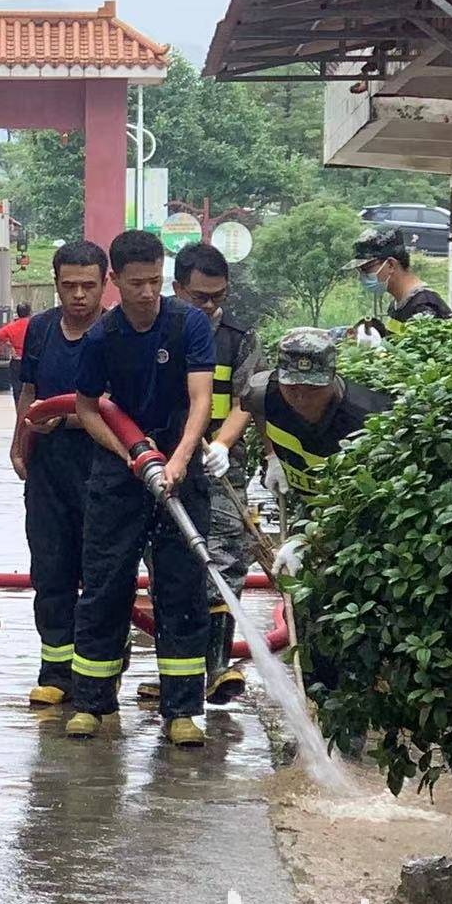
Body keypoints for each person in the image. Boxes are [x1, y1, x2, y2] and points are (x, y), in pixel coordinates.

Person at [65, 229, 216, 748]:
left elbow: (201, 399)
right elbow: (86, 408)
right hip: (122, 471)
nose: (148, 292)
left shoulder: (188, 323)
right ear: (116, 281)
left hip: (180, 466)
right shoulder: (102, 339)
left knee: (180, 587)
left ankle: (181, 711)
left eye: (155, 281)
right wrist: (128, 453)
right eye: (137, 283)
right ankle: (91, 703)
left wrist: (177, 460)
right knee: (106, 583)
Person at [244, 328, 392, 694]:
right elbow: (258, 413)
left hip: (358, 527)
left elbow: (363, 505)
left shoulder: (367, 419)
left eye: (312, 388)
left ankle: (351, 707)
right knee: (306, 612)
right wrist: (272, 456)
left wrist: (307, 539)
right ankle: (316, 698)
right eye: (293, 387)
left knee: (350, 615)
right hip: (308, 506)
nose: (301, 398)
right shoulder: (264, 393)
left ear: (332, 378)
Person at [10, 241, 107, 706]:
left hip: (102, 464)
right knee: (50, 568)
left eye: (89, 286)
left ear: (104, 285)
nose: (79, 295)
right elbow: (29, 388)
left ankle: (98, 672)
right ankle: (55, 670)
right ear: (56, 285)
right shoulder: (42, 331)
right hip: (48, 465)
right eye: (69, 286)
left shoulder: (115, 332)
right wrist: (18, 441)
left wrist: (67, 419)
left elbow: (118, 407)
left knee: (101, 571)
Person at [173, 242, 263, 706]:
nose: (210, 306)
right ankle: (176, 672)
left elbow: (248, 400)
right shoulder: (158, 331)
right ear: (177, 289)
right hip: (168, 463)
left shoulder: (238, 337)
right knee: (168, 560)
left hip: (221, 465)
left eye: (217, 296)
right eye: (199, 297)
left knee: (227, 558)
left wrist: (224, 444)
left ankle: (217, 668)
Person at [348, 226, 452, 326]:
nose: (361, 277)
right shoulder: (397, 305)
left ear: (390, 265)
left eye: (366, 269)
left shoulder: (424, 307)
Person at [0, 302, 32, 404]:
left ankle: (18, 413)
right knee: (32, 389)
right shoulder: (33, 324)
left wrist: (9, 346)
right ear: (29, 312)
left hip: (17, 361)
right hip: (31, 361)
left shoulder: (12, 326)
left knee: (17, 390)